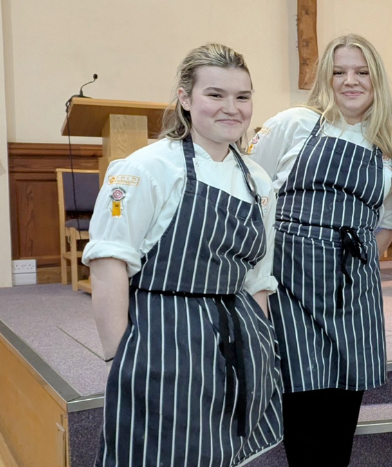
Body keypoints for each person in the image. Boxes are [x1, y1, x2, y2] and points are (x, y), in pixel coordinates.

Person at [83, 43, 282, 466]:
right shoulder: (145, 169)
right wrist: (121, 357)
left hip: (237, 336)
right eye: (215, 94)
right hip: (164, 335)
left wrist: (260, 342)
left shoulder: (259, 180)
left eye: (242, 97)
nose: (232, 108)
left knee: (223, 451)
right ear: (185, 99)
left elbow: (258, 278)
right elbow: (108, 264)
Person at [248, 34, 392, 465]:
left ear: (376, 79)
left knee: (344, 403)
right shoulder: (294, 123)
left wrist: (353, 260)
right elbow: (253, 192)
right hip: (291, 279)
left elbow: (388, 223)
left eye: (361, 72)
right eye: (339, 71)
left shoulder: (388, 145)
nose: (350, 81)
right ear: (326, 77)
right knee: (303, 403)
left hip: (351, 286)